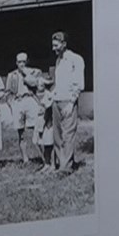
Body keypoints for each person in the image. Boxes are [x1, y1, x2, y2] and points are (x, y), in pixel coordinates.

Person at [48, 31, 87, 173]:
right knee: (57, 136)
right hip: (57, 101)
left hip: (68, 101)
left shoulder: (76, 59)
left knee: (68, 134)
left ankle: (66, 168)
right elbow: (59, 83)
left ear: (64, 44)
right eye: (52, 45)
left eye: (56, 45)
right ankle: (61, 163)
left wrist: (71, 103)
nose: (53, 48)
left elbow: (79, 84)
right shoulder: (58, 60)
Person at [6, 53, 47, 166]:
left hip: (30, 99)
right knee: (21, 133)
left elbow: (36, 84)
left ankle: (45, 158)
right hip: (18, 101)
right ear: (16, 63)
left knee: (37, 129)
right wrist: (11, 104)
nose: (21, 64)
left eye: (24, 61)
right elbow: (8, 91)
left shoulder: (34, 71)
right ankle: (25, 159)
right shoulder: (12, 75)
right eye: (19, 62)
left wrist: (26, 73)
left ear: (27, 61)